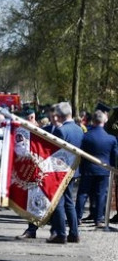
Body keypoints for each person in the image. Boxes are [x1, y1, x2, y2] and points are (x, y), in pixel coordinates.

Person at [46, 102, 84, 244]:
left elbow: (54, 152)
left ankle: (61, 233)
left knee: (59, 202)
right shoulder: (79, 129)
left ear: (60, 115)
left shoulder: (61, 130)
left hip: (60, 171)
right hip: (73, 170)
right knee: (69, 202)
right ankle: (74, 233)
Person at [76, 109, 118, 229]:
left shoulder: (85, 136)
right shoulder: (111, 139)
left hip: (87, 169)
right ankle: (98, 219)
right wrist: (112, 168)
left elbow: (80, 152)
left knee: (83, 194)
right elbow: (114, 155)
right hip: (104, 170)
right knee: (101, 195)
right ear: (104, 121)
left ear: (93, 121)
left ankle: (77, 217)